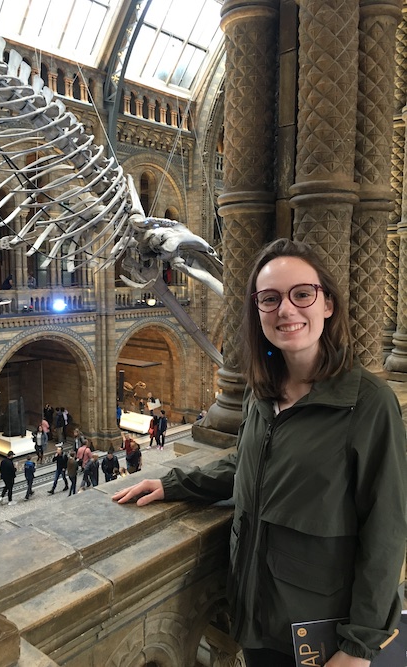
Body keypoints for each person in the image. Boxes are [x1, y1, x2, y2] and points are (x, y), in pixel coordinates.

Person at [113, 238, 407, 667]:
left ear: (327, 304)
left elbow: (386, 530)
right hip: (255, 614)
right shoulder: (262, 393)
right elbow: (248, 464)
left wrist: (358, 646)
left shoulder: (368, 403)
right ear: (257, 313)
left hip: (319, 630)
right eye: (270, 299)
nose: (286, 310)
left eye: (302, 294)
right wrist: (174, 483)